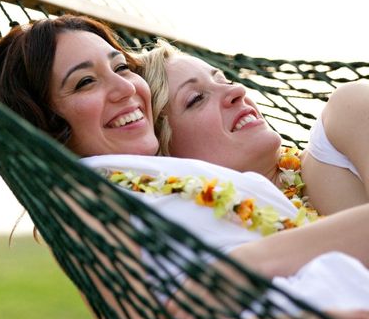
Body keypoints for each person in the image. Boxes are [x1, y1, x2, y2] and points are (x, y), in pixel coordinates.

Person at [0, 14, 369, 319]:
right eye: (85, 82)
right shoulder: (84, 199)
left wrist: (246, 266)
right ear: (46, 122)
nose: (125, 88)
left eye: (121, 67)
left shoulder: (150, 177)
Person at [138, 40, 369, 216]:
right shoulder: (222, 242)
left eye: (224, 80)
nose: (237, 90)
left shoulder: (347, 112)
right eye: (197, 98)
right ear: (166, 150)